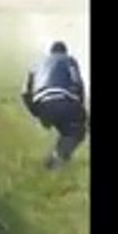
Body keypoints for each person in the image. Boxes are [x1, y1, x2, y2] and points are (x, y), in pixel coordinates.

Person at [21, 41, 88, 169]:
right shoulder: (69, 60)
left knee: (65, 129)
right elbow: (78, 83)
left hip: (42, 104)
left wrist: (36, 113)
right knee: (77, 130)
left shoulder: (36, 65)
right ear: (64, 52)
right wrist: (81, 108)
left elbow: (24, 92)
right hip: (64, 101)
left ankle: (57, 158)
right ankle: (58, 160)